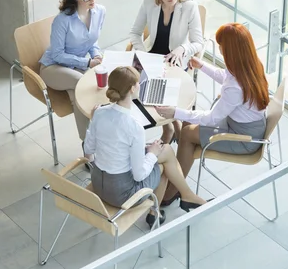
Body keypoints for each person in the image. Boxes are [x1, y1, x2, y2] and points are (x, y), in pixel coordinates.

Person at [155, 23, 269, 206]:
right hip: (248, 124)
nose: (220, 50)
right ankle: (175, 181)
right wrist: (202, 66)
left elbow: (211, 118)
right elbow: (227, 76)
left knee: (186, 133)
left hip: (243, 138)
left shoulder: (235, 88)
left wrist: (174, 111)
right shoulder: (250, 65)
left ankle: (171, 191)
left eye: (222, 46)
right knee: (186, 127)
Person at [83, 66, 209, 228]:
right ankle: (158, 211)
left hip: (98, 183)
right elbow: (139, 175)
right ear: (132, 88)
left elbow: (89, 150)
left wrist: (93, 122)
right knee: (162, 164)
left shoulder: (99, 113)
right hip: (121, 194)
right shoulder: (134, 126)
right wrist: (152, 154)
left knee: (166, 150)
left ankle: (185, 196)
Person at [129, 0, 204, 144]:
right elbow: (135, 33)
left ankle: (171, 129)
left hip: (174, 60)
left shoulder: (189, 7)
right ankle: (174, 129)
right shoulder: (149, 2)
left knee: (157, 89)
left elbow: (198, 42)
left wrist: (182, 49)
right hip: (150, 57)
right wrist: (143, 54)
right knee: (135, 87)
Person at [39, 0, 105, 142]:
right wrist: (87, 62)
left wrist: (96, 54)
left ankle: (91, 143)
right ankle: (90, 143)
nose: (92, 0)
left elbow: (92, 40)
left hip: (76, 66)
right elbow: (57, 55)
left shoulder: (100, 12)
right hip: (53, 67)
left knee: (84, 91)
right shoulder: (62, 20)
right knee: (81, 83)